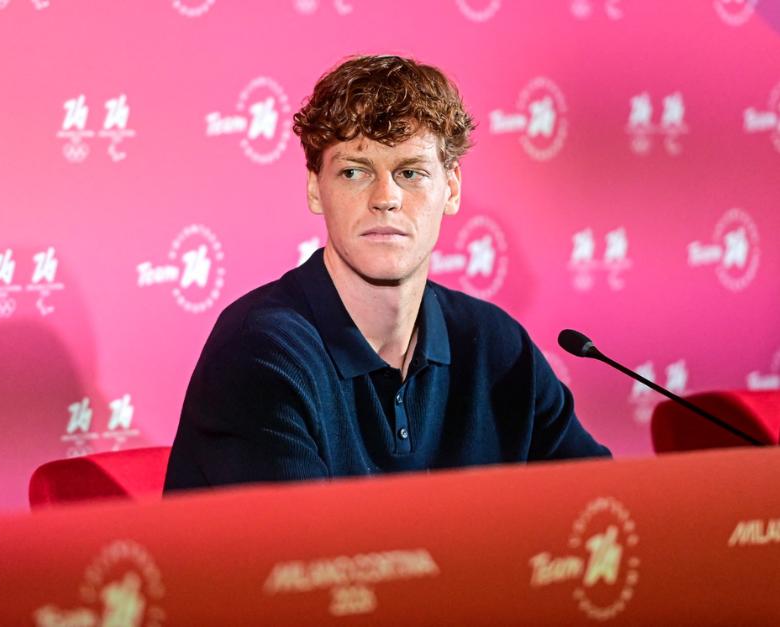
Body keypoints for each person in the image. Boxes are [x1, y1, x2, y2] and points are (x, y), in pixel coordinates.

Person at [164, 55, 610, 492]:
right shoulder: (260, 353)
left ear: (451, 189)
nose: (386, 198)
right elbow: (309, 559)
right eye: (355, 172)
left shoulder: (495, 343)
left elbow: (603, 505)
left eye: (410, 172)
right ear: (315, 188)